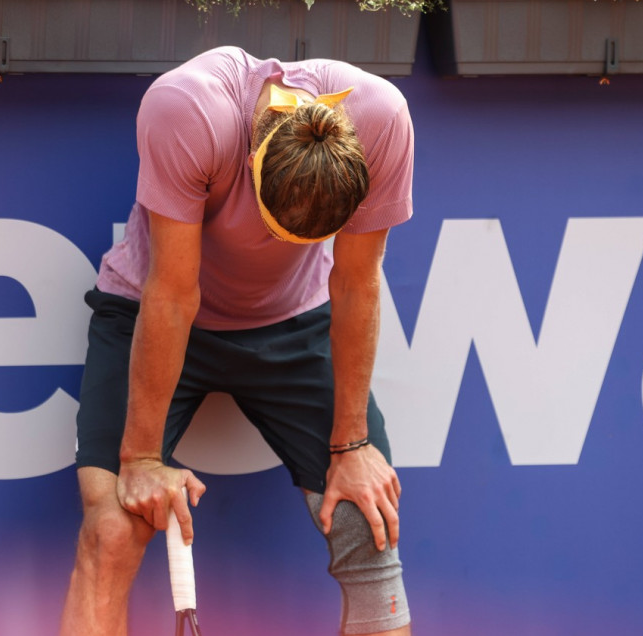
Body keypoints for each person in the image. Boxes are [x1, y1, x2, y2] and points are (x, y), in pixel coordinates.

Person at [60, 45, 415, 636]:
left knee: (366, 523)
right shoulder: (187, 108)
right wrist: (142, 459)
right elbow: (172, 294)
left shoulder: (383, 118)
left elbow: (355, 279)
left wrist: (351, 445)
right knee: (112, 526)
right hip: (155, 310)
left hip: (295, 323)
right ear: (254, 164)